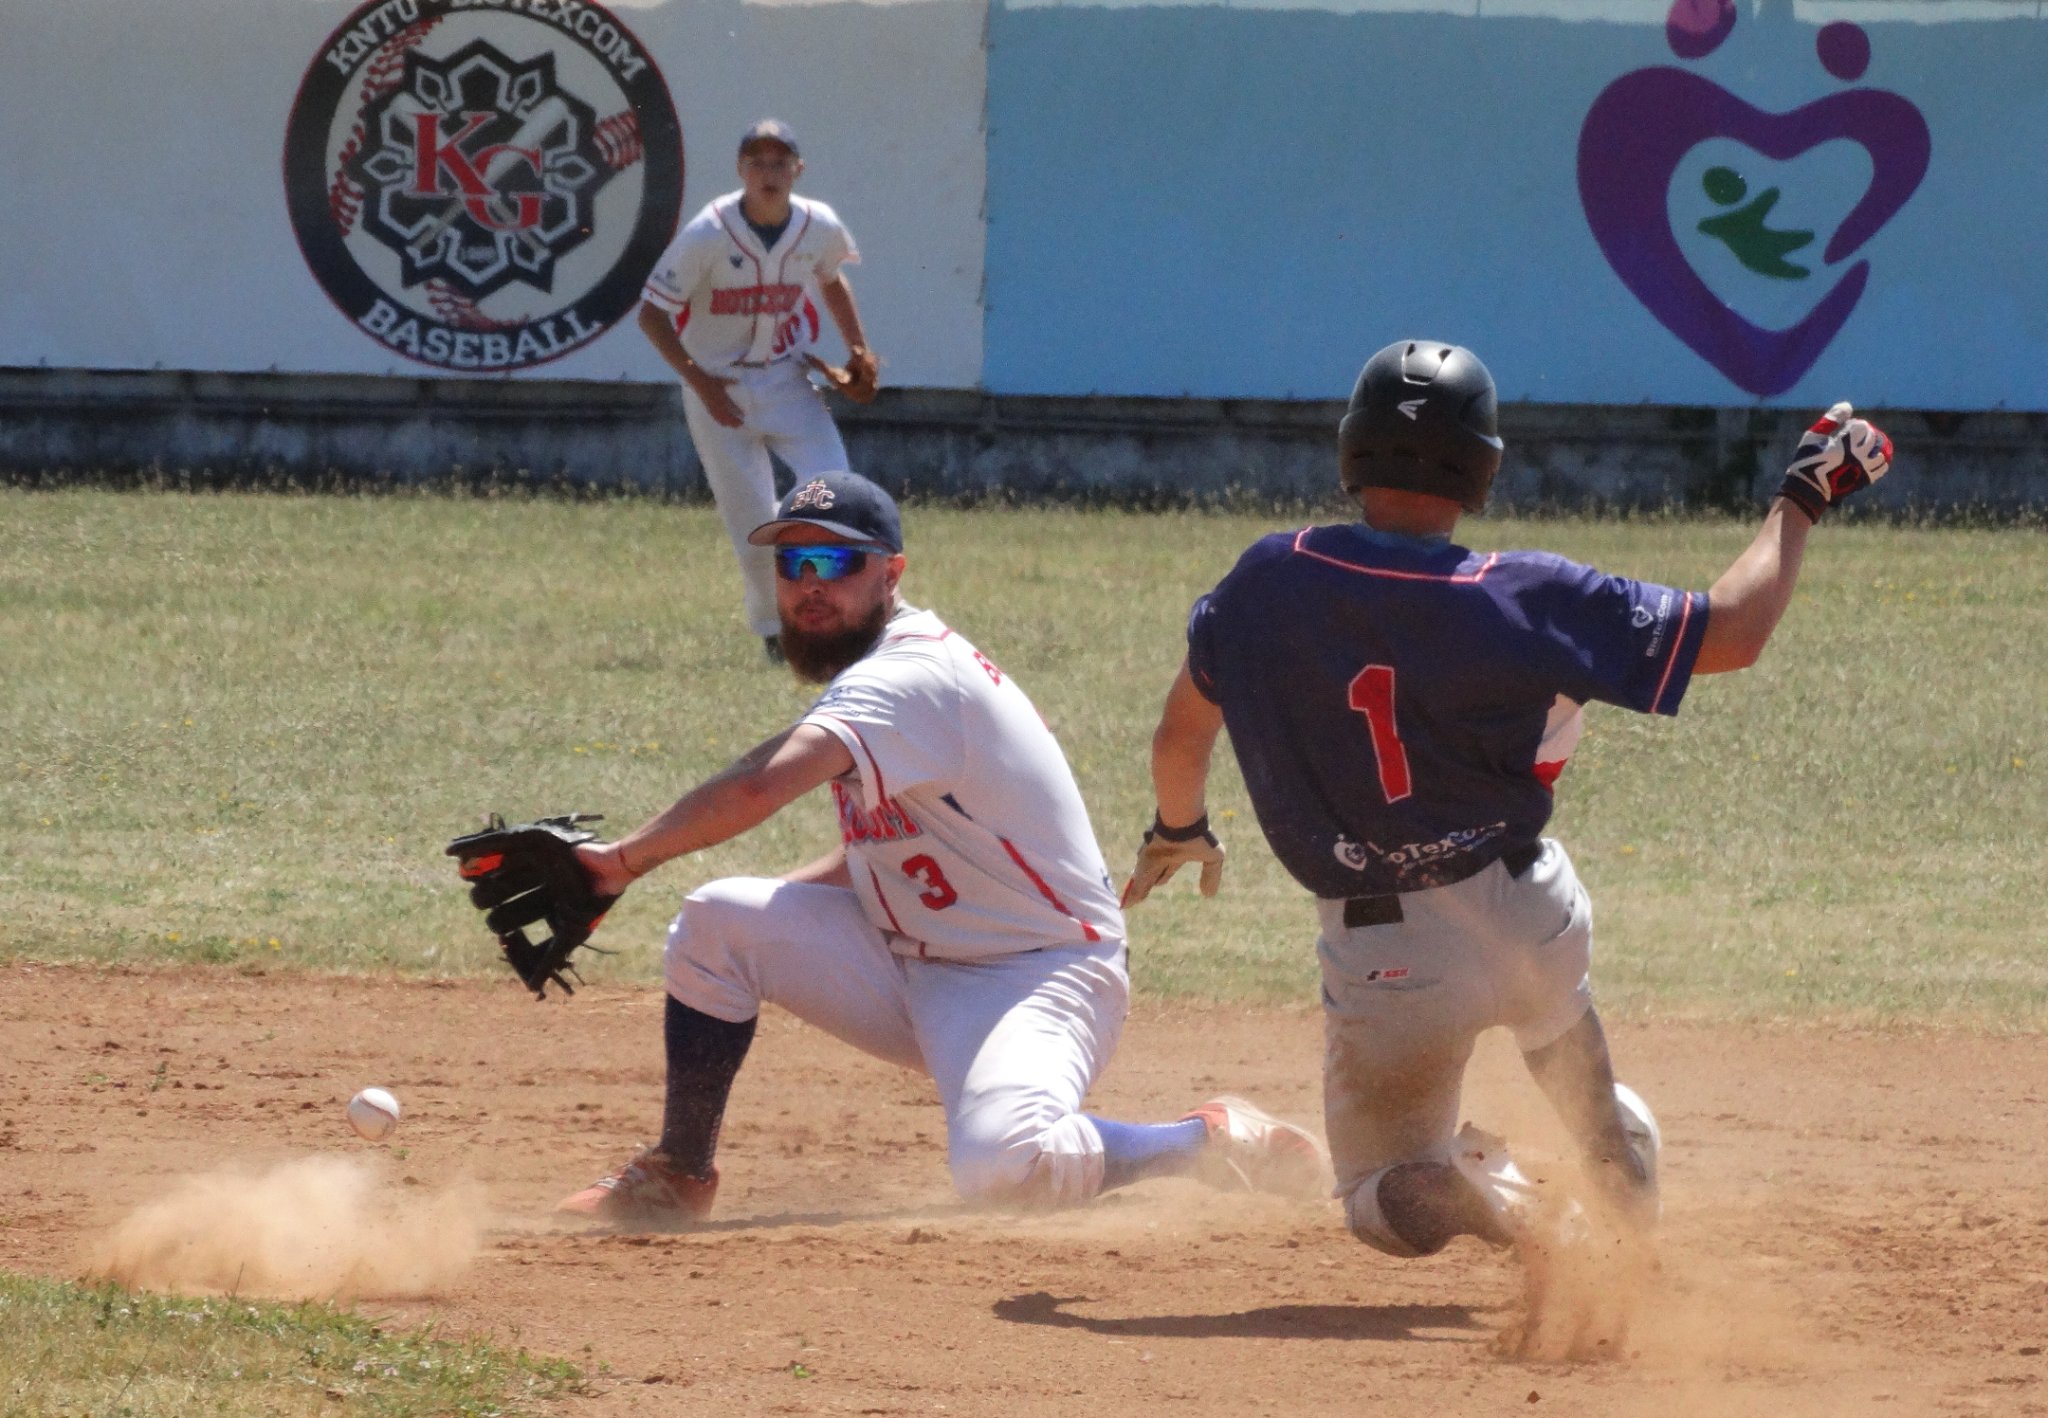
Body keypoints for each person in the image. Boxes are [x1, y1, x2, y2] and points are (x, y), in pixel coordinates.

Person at [1125, 341, 1891, 1307]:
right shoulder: (1526, 596)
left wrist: (1179, 825)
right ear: (1482, 470)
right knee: (1594, 1104)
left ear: (1351, 453)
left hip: (1384, 957)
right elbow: (1734, 629)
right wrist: (1803, 497)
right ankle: (1614, 1222)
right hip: (1527, 914)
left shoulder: (1267, 580)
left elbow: (1180, 731)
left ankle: (1496, 1204)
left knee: (1376, 1193)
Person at [558, 469, 1330, 1226]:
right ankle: (677, 1174)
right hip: (914, 961)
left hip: (1037, 972)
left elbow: (761, 784)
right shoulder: (877, 673)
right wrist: (784, 917)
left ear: (891, 572)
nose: (809, 585)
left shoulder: (913, 673)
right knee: (716, 922)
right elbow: (884, 855)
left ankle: (1209, 1141)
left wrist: (620, 863)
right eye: (791, 563)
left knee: (1004, 1167)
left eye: (834, 561)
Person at [639, 119, 883, 663]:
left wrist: (858, 349)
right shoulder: (709, 231)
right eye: (756, 161)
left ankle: (864, 620)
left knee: (840, 497)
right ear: (739, 170)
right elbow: (651, 314)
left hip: (786, 379)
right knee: (753, 529)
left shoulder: (817, 225)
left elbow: (830, 278)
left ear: (798, 170)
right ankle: (778, 632)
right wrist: (698, 382)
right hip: (716, 385)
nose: (767, 172)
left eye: (779, 162)